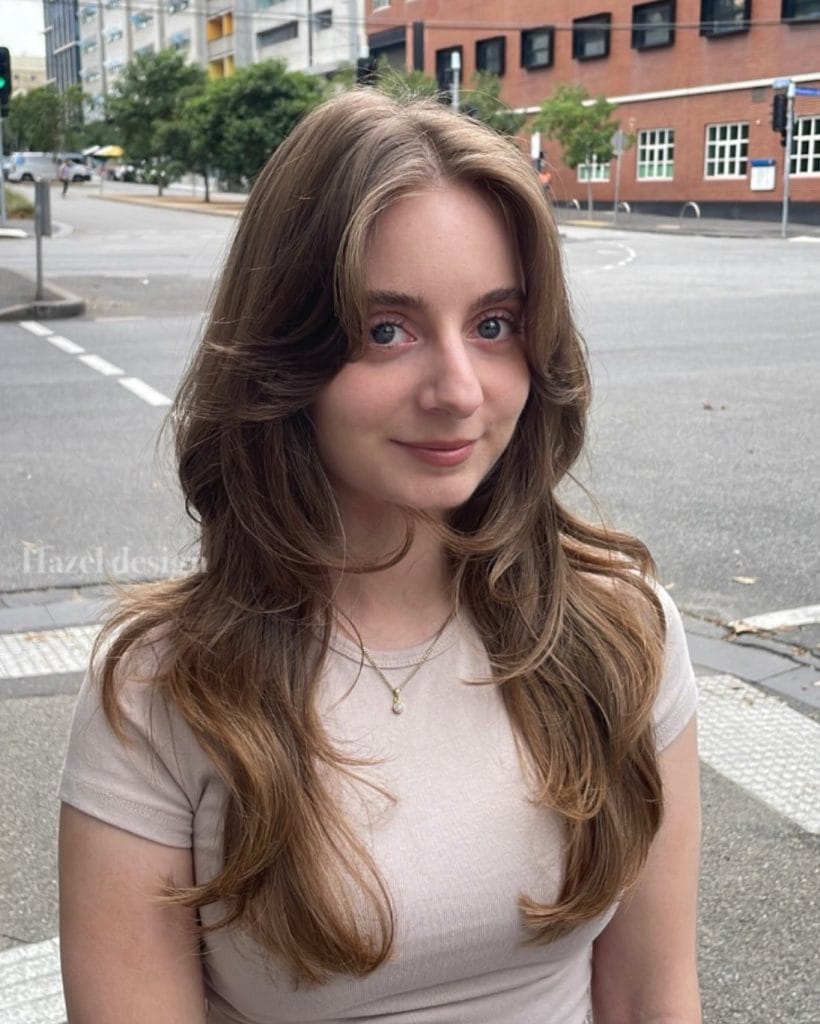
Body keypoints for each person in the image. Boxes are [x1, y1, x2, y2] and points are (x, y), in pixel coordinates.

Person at [58, 89, 701, 1024]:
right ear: (287, 353)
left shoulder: (620, 628)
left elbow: (652, 994)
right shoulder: (164, 689)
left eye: (494, 325)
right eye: (384, 330)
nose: (457, 389)